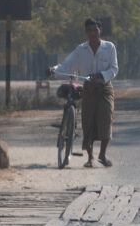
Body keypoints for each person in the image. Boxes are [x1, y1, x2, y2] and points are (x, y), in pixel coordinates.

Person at [49, 18, 119, 167]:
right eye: (89, 30)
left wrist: (100, 75)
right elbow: (67, 65)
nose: (92, 33)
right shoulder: (81, 49)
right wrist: (54, 70)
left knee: (106, 118)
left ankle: (103, 154)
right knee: (88, 122)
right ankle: (90, 157)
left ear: (100, 30)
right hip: (87, 89)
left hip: (104, 88)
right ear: (86, 32)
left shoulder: (109, 47)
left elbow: (114, 69)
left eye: (95, 30)